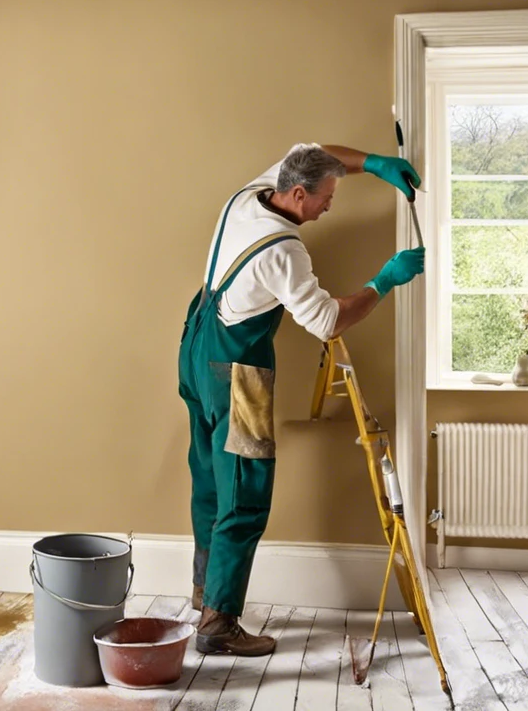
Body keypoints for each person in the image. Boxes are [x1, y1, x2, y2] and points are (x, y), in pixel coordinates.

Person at [178, 142, 424, 656]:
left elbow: (313, 149)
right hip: (236, 374)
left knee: (209, 481)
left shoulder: (246, 197)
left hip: (196, 351)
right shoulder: (284, 252)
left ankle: (206, 594)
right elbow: (328, 321)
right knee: (244, 494)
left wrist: (374, 165)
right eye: (327, 197)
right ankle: (218, 623)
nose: (331, 205)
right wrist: (385, 281)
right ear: (296, 193)